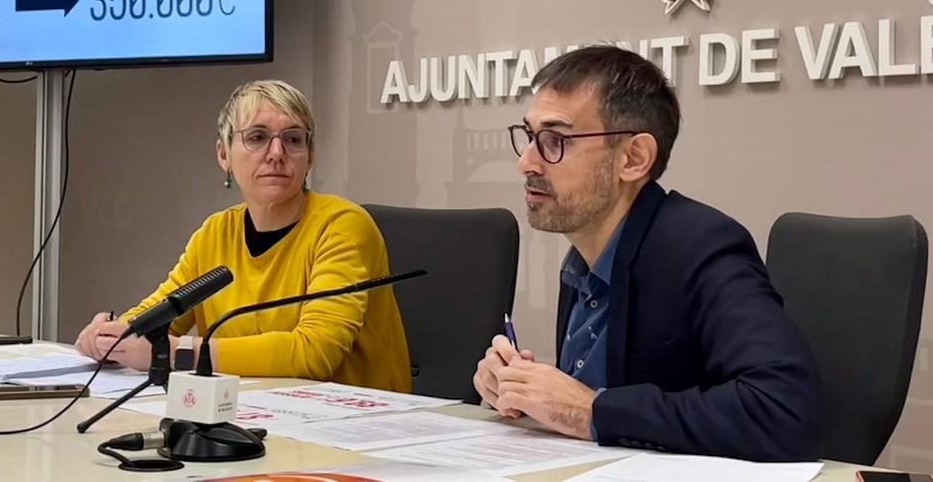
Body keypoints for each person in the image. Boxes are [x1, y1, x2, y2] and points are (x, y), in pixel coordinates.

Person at [472, 45, 822, 461]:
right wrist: (516, 389)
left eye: (555, 140)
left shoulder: (701, 245)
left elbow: (782, 409)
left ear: (634, 158)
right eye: (530, 137)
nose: (526, 163)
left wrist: (588, 410)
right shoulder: (583, 256)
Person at [76, 79, 411, 392]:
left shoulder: (343, 225)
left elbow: (314, 354)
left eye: (293, 139)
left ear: (310, 157)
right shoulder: (215, 233)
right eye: (257, 137)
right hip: (253, 414)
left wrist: (178, 353)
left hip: (356, 429)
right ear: (224, 155)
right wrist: (113, 334)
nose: (277, 152)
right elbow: (162, 313)